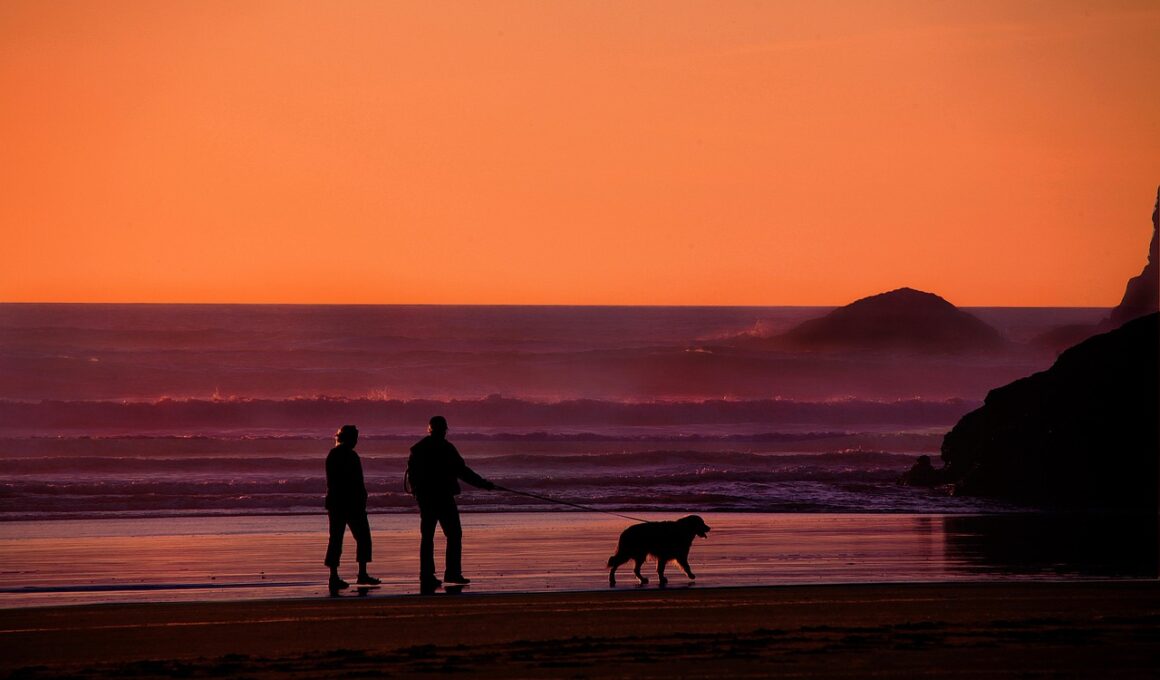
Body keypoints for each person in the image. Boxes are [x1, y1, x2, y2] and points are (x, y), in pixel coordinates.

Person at [406, 416, 496, 593]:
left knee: (428, 537)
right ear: (443, 430)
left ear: (430, 429)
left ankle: (428, 575)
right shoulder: (446, 448)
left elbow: (413, 476)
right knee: (453, 534)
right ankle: (451, 573)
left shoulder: (419, 448)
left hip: (427, 498)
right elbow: (462, 471)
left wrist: (418, 493)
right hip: (443, 497)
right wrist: (482, 484)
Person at [324, 425, 379, 593]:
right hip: (351, 503)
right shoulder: (350, 455)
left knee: (336, 539)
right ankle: (361, 573)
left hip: (336, 503)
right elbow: (355, 481)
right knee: (363, 537)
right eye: (354, 438)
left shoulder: (333, 454)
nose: (356, 441)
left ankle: (334, 576)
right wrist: (361, 498)